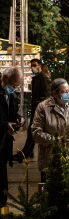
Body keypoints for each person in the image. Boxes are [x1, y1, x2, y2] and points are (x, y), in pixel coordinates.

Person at [31, 78, 69, 182]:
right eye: (64, 92)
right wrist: (55, 140)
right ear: (55, 93)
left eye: (68, 91)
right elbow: (36, 133)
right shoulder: (43, 108)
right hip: (50, 161)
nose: (68, 94)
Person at [13, 59, 49, 162]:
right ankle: (28, 153)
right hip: (35, 108)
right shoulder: (36, 79)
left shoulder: (42, 79)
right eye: (31, 65)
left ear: (40, 66)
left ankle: (24, 154)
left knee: (31, 131)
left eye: (34, 65)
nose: (33, 67)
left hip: (39, 109)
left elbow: (43, 96)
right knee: (31, 131)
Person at [0, 67, 25, 207]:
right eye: (13, 85)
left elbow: (13, 113)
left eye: (17, 86)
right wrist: (4, 126)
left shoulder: (12, 94)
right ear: (4, 78)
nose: (15, 88)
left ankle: (2, 206)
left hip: (4, 144)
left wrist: (19, 119)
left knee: (3, 178)